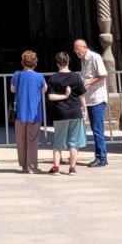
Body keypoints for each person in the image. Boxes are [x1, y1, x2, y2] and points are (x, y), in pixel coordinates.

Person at [45, 51, 87, 175]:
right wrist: (84, 109)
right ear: (68, 61)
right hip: (75, 112)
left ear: (57, 63)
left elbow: (51, 97)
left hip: (60, 113)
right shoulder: (75, 77)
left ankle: (56, 168)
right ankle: (72, 168)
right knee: (74, 142)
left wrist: (63, 96)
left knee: (58, 141)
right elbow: (82, 95)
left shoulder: (53, 78)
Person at [9, 50, 46, 174]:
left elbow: (12, 89)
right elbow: (44, 89)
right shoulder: (39, 76)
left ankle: (24, 166)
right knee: (32, 140)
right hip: (34, 113)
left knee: (21, 140)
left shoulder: (17, 75)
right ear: (35, 63)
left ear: (22, 62)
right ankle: (32, 166)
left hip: (20, 112)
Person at [74, 36, 109, 166]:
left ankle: (101, 158)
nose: (76, 51)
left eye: (77, 49)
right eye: (75, 49)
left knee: (98, 129)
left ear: (84, 47)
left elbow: (103, 74)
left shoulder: (95, 57)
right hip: (89, 98)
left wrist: (89, 83)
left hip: (97, 98)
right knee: (95, 129)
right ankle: (100, 157)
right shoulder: (84, 60)